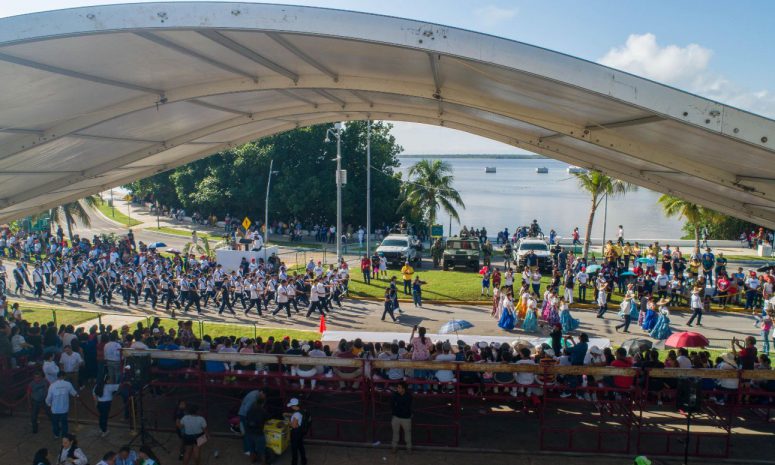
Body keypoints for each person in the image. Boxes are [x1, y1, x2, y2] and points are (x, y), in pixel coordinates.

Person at [46, 371, 78, 438]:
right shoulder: (67, 384)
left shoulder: (52, 385)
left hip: (55, 409)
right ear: (64, 376)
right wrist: (77, 396)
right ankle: (64, 435)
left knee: (55, 423)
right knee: (64, 423)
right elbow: (74, 393)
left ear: (57, 377)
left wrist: (48, 404)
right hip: (64, 409)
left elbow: (49, 397)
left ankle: (56, 435)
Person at [244, 394, 268, 465]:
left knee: (251, 449)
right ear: (263, 403)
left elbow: (247, 419)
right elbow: (267, 419)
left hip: (249, 433)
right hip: (258, 433)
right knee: (262, 450)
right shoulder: (263, 411)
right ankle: (263, 463)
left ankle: (253, 461)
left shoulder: (250, 410)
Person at [391, 381, 412, 453]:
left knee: (406, 433)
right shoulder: (396, 395)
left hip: (403, 417)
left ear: (403, 389)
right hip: (400, 417)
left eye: (399, 387)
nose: (397, 389)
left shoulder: (407, 396)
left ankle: (408, 448)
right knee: (396, 432)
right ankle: (395, 447)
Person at [287, 398, 307, 465]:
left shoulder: (296, 414)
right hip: (300, 432)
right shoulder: (301, 411)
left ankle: (294, 463)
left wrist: (287, 422)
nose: (291, 407)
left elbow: (294, 426)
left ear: (294, 405)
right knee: (301, 446)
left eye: (291, 406)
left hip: (295, 433)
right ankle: (304, 461)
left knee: (294, 449)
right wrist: (290, 415)